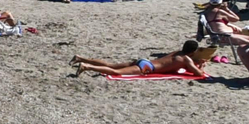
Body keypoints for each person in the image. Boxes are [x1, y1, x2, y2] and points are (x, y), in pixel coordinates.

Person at [71, 40, 207, 77]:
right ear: (193, 52)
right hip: (148, 68)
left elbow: (174, 62)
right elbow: (198, 73)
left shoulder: (177, 52)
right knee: (117, 72)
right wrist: (202, 65)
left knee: (111, 65)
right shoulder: (187, 60)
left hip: (145, 61)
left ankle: (80, 57)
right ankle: (86, 66)